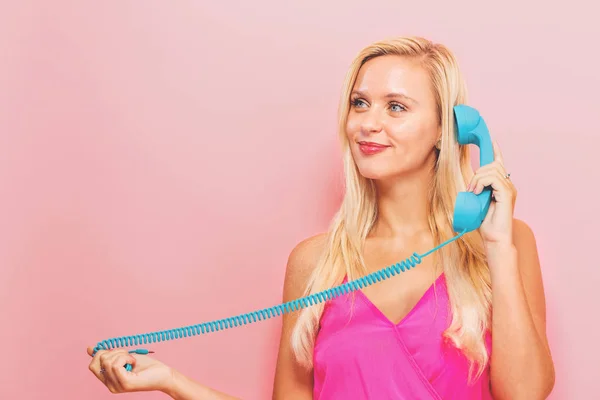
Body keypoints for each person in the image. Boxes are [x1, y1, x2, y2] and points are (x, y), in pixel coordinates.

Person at [87, 36, 555, 399]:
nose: (368, 123)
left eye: (396, 107)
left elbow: (527, 393)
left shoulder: (502, 242)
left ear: (445, 130)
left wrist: (496, 248)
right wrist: (170, 381)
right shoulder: (314, 264)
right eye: (359, 103)